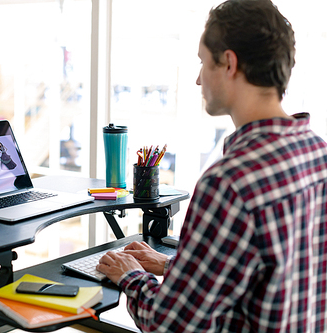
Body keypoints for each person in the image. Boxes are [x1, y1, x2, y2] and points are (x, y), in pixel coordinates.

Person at [96, 0, 327, 332]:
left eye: (203, 62)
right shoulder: (319, 154)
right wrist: (176, 267)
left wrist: (130, 274)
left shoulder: (230, 181)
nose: (198, 80)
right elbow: (271, 275)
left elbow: (169, 324)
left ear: (229, 63)